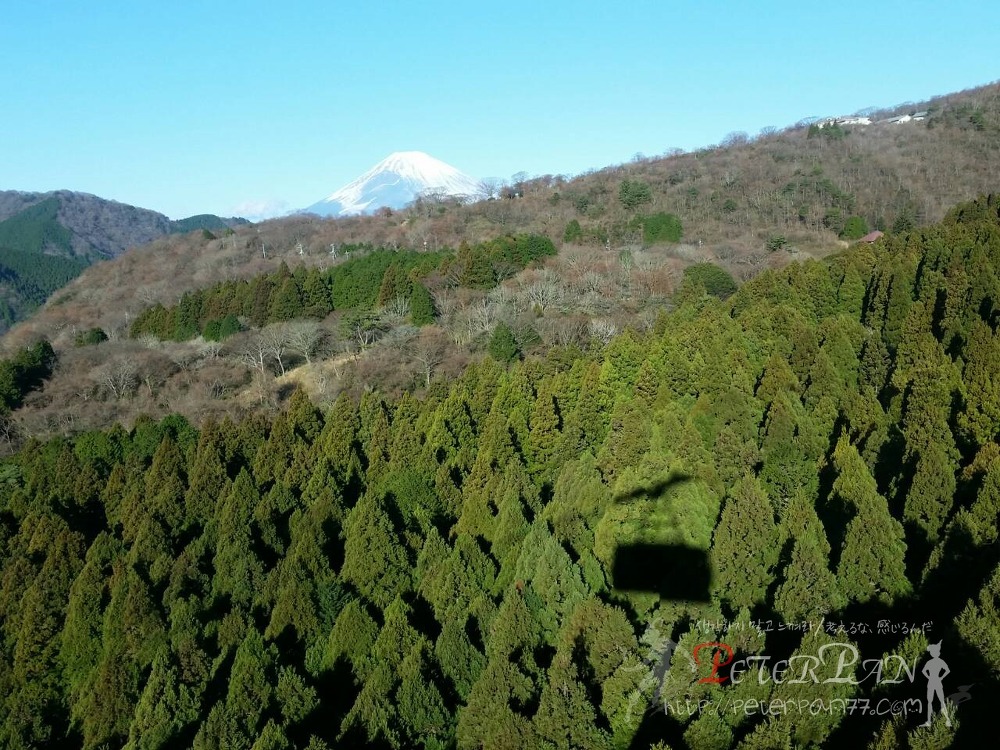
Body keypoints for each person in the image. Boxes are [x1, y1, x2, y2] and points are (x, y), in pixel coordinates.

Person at [920, 641, 951, 728]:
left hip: (934, 681)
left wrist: (930, 677)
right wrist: (940, 677)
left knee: (935, 701)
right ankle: (943, 720)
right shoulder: (935, 662)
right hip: (934, 681)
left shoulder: (933, 662)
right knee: (934, 701)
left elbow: (924, 671)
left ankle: (946, 720)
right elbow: (947, 670)